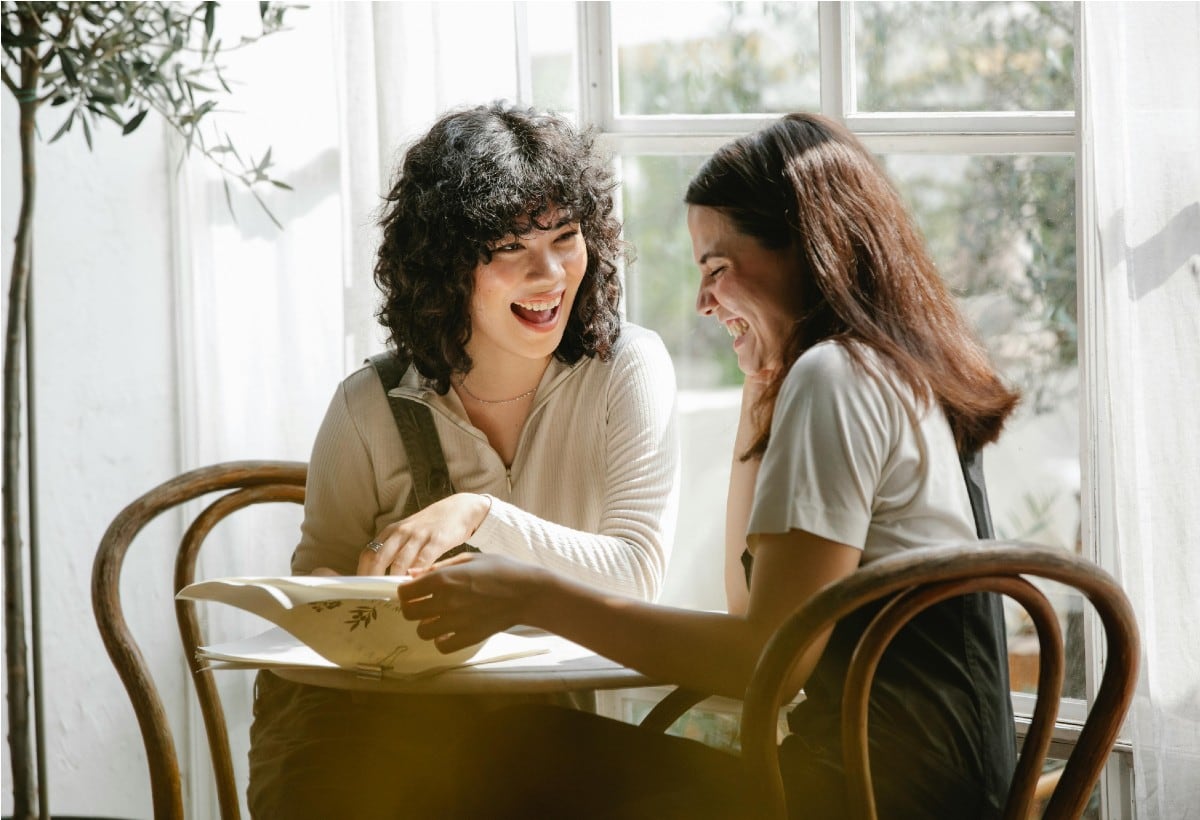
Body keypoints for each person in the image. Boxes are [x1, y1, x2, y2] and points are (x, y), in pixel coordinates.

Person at [398, 112, 1022, 819]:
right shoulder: (880, 369)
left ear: (807, 251)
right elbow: (750, 612)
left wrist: (531, 596)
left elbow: (768, 665)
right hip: (933, 789)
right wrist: (760, 386)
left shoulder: (837, 378)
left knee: (503, 755)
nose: (701, 302)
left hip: (868, 798)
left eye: (717, 269)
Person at [246, 101, 680, 819]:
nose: (550, 276)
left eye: (566, 238)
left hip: (542, 735)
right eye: (510, 248)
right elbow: (317, 574)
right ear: (445, 266)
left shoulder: (627, 368)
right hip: (374, 738)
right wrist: (350, 594)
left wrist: (478, 514)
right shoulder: (368, 405)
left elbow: (637, 578)